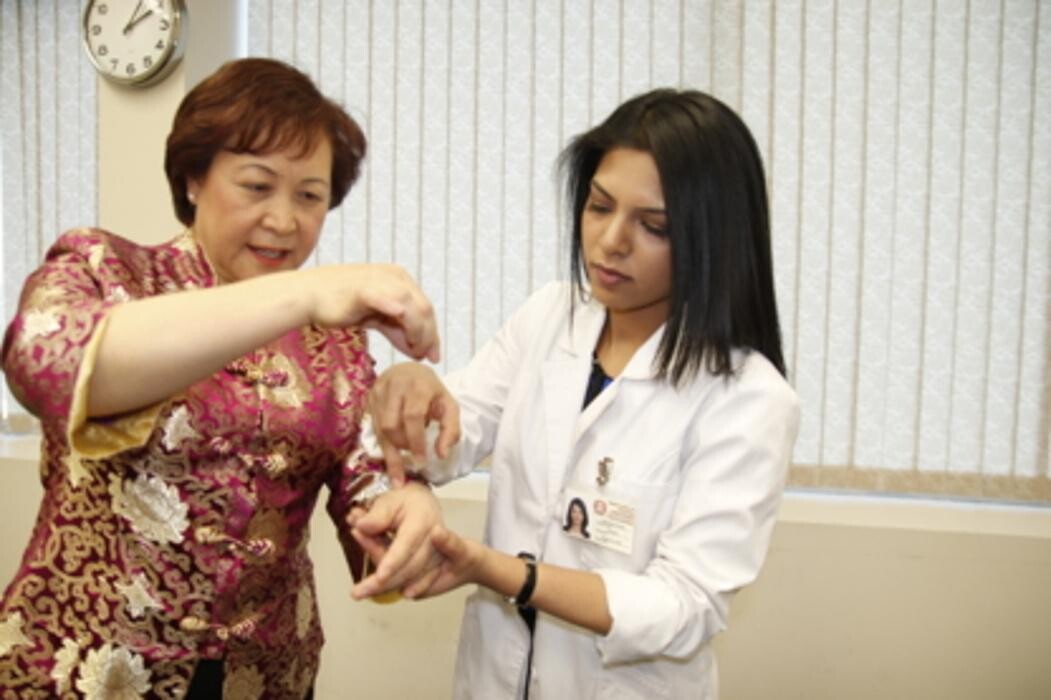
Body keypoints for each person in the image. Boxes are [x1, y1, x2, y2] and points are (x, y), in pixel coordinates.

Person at [0, 58, 443, 699]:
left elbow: (369, 489)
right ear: (193, 178)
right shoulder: (107, 271)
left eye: (310, 196)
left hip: (265, 677)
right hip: (88, 669)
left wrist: (409, 504)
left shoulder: (338, 343)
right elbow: (46, 365)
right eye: (257, 186)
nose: (285, 221)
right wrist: (303, 293)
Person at [356, 88, 800, 699]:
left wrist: (500, 572)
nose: (611, 240)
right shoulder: (550, 317)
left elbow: (684, 606)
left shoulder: (747, 398)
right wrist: (408, 392)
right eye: (599, 206)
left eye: (654, 226)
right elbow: (447, 438)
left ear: (713, 239)